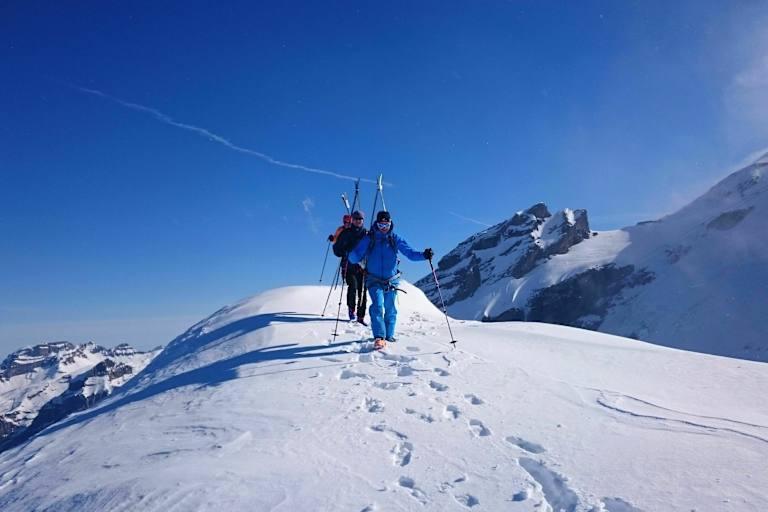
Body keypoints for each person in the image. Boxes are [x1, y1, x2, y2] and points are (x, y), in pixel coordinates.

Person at [348, 210, 433, 350]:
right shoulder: (369, 238)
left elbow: (410, 253)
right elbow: (355, 256)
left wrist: (424, 255)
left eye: (386, 225)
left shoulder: (394, 238)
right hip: (373, 279)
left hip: (391, 280)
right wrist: (350, 254)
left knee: (390, 308)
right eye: (381, 225)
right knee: (377, 306)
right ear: (377, 224)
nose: (383, 228)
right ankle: (379, 337)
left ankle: (389, 336)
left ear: (390, 223)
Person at [333, 210, 369, 324]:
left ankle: (361, 316)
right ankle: (351, 309)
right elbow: (336, 249)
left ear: (363, 220)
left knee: (363, 291)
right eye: (356, 219)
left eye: (360, 219)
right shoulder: (346, 233)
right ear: (352, 220)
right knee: (353, 286)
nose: (358, 221)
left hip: (363, 267)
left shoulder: (367, 234)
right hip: (348, 266)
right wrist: (344, 250)